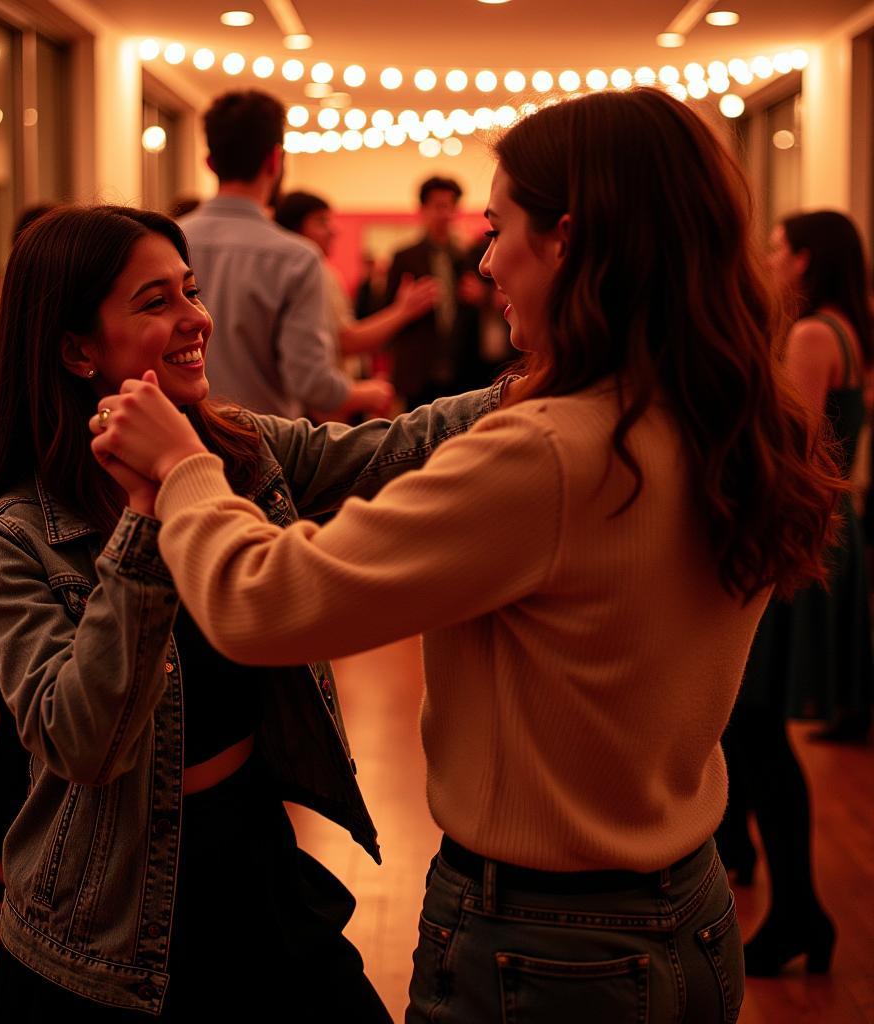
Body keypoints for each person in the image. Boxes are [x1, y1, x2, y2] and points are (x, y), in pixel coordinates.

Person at [91, 88, 845, 1023]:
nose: (486, 261)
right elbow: (364, 450)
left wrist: (184, 468)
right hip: (687, 913)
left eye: (499, 229)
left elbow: (264, 602)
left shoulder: (552, 453)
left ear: (567, 239)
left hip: (549, 948)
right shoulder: (716, 415)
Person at [0, 203, 507, 1021]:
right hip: (102, 926)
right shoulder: (13, 531)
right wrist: (146, 513)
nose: (196, 319)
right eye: (156, 301)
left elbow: (396, 448)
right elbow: (82, 740)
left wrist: (545, 385)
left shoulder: (235, 447)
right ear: (74, 348)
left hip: (251, 858)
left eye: (191, 290)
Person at [717, 210, 873, 976]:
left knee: (756, 726)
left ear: (806, 260)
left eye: (778, 248)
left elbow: (791, 445)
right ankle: (759, 873)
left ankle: (798, 909)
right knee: (753, 725)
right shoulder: (845, 329)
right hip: (822, 531)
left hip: (797, 538)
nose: (770, 258)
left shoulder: (813, 336)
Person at [178, 90, 393, 421]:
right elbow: (310, 381)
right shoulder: (296, 258)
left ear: (209, 163)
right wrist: (365, 392)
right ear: (275, 161)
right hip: (262, 443)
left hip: (180, 434)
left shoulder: (168, 240)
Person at [274, 190, 440, 360]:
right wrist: (403, 311)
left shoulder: (293, 269)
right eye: (321, 222)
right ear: (294, 230)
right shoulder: (315, 271)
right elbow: (346, 341)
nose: (333, 231)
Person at [384, 176, 468, 408]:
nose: (444, 214)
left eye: (450, 206)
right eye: (438, 206)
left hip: (461, 367)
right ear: (423, 209)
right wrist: (405, 307)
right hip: (417, 369)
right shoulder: (404, 257)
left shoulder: (465, 256)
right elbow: (384, 311)